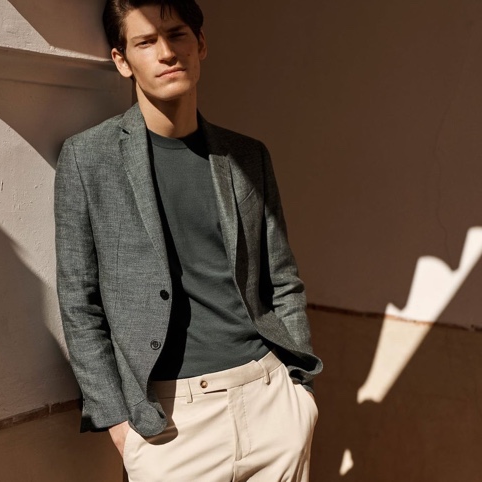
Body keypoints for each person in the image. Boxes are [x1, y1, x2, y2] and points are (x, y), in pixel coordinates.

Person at [53, 1, 322, 480]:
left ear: (200, 44)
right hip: (169, 423)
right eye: (146, 42)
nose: (166, 53)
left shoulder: (247, 156)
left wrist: (300, 393)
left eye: (177, 35)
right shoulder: (87, 158)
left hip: (269, 400)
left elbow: (281, 279)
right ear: (122, 60)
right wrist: (118, 424)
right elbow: (79, 303)